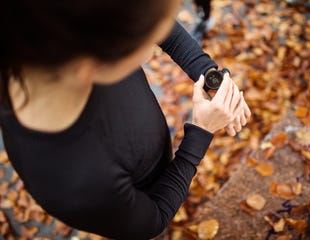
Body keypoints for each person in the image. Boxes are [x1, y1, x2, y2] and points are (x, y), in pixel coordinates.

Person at [0, 0, 250, 239]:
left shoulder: (59, 26)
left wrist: (207, 73)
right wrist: (200, 132)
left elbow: (149, 19)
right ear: (98, 63)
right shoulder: (79, 184)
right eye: (149, 42)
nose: (156, 41)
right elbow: (154, 219)